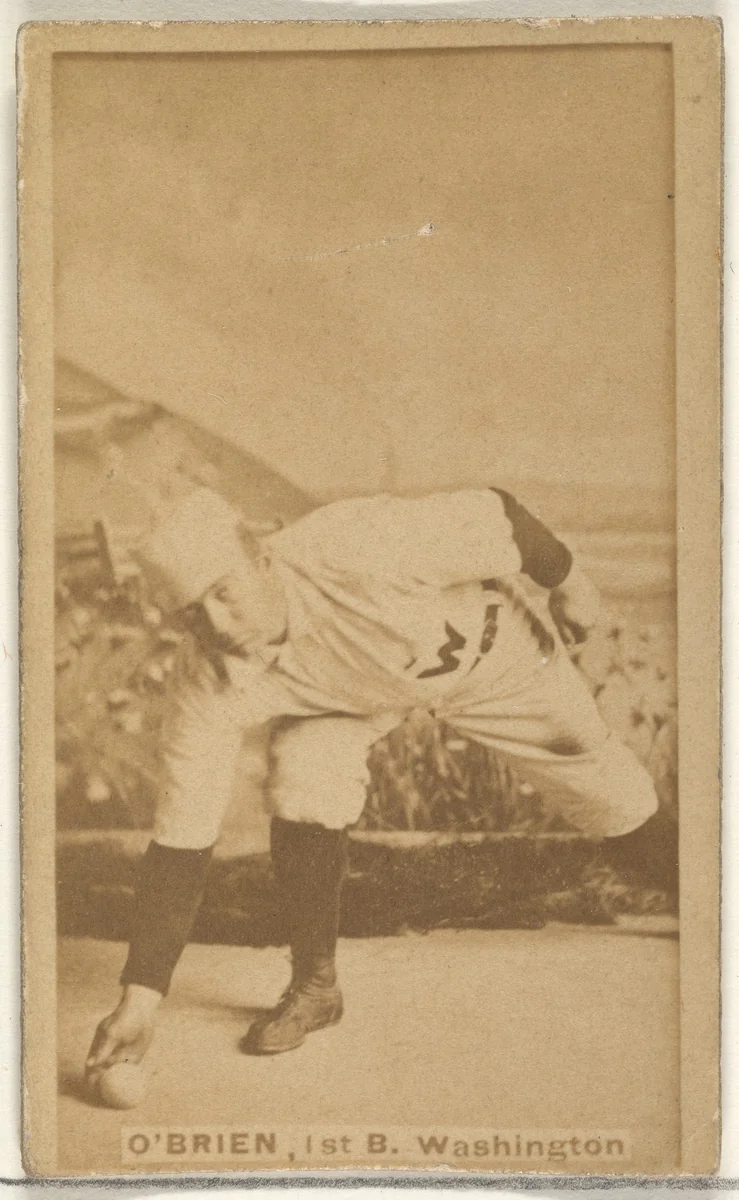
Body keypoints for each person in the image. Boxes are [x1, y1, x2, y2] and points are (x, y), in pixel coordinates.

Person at [86, 483, 673, 1083]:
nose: (216, 621)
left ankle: (707, 906)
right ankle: (315, 987)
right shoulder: (206, 680)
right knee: (304, 776)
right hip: (354, 700)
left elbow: (503, 516)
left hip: (491, 658)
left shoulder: (355, 546)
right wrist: (141, 998)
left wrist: (569, 583)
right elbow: (182, 841)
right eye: (192, 612)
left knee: (612, 795)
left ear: (262, 557)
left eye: (223, 592)